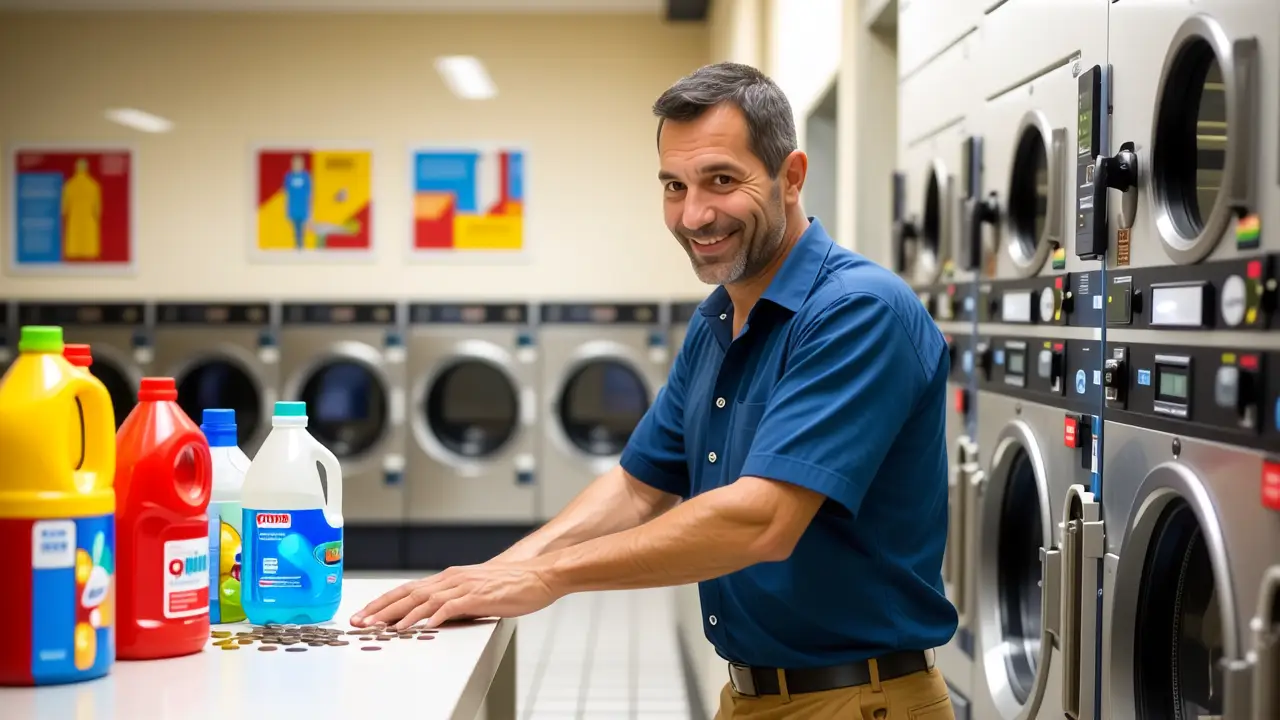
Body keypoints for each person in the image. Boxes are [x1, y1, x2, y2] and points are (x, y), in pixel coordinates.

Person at [352, 62, 957, 719]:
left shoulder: (858, 310)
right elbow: (639, 486)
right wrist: (496, 573)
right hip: (752, 696)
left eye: (721, 180)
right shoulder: (719, 319)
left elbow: (763, 520)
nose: (694, 214)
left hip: (860, 702)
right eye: (674, 185)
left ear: (791, 176)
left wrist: (547, 577)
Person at [62, 157, 103, 261]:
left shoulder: (69, 185)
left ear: (76, 168)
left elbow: (64, 208)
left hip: (74, 219)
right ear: (87, 168)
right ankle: (89, 251)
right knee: (89, 240)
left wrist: (65, 214)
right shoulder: (93, 185)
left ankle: (74, 251)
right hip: (89, 220)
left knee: (74, 239)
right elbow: (98, 210)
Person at [283, 154, 312, 249]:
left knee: (302, 230)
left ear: (302, 164)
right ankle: (297, 246)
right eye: (295, 163)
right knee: (295, 229)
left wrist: (310, 210)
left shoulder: (306, 176)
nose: (297, 165)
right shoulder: (288, 176)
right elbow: (286, 192)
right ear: (292, 164)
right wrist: (286, 209)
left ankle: (301, 246)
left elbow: (309, 193)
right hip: (293, 207)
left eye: (299, 163)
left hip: (303, 208)